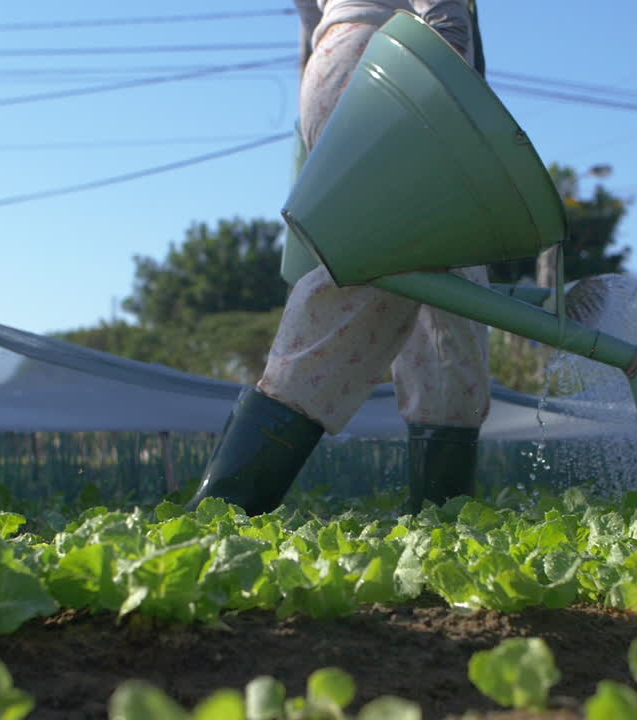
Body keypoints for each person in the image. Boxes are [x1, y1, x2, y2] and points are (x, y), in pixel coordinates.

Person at [188, 0, 489, 516]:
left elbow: (310, 23)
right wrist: (447, 82)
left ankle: (443, 515)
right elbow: (442, 11)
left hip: (337, 66)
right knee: (374, 265)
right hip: (395, 65)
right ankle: (225, 508)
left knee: (450, 293)